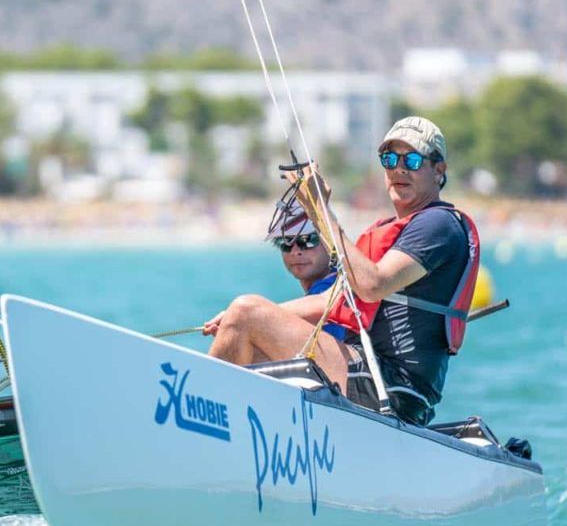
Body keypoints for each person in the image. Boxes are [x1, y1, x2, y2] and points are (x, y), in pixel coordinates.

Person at [203, 116, 480, 424]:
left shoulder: (437, 224)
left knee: (246, 310)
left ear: (438, 171)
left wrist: (320, 209)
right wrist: (244, 320)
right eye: (390, 159)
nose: (399, 169)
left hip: (394, 386)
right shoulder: (393, 230)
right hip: (369, 373)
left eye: (412, 160)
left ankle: (197, 408)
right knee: (245, 331)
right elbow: (331, 300)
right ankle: (230, 431)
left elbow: (373, 285)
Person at [268, 201, 346, 342]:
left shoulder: (333, 287)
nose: (295, 251)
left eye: (307, 240)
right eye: (286, 243)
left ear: (331, 243)